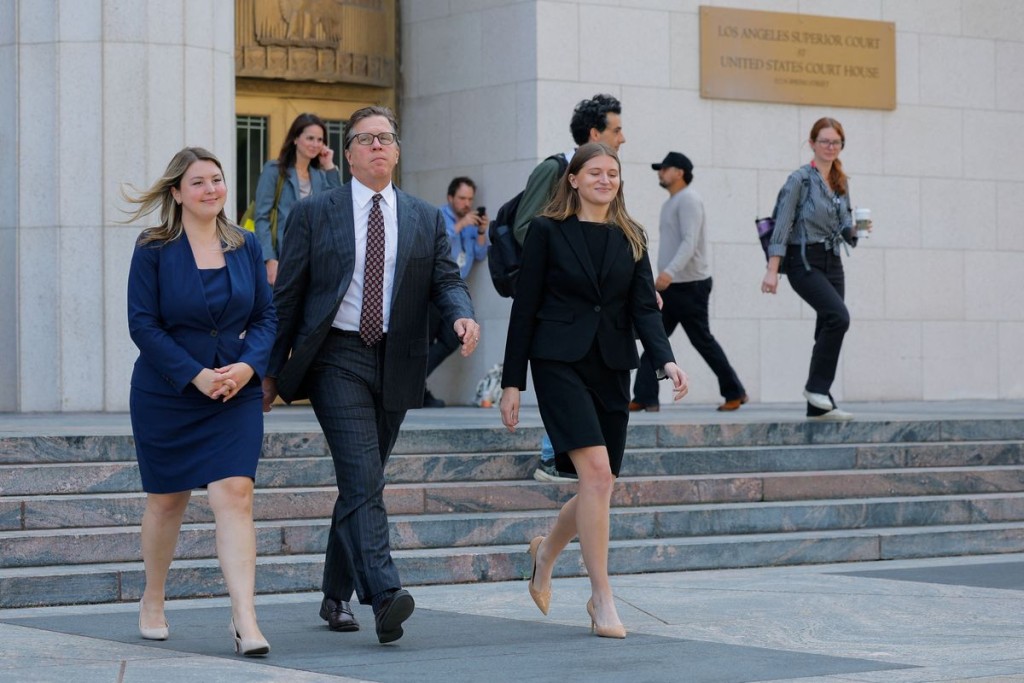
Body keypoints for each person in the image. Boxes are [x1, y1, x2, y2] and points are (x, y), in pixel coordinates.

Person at [262, 106, 481, 644]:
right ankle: (384, 593)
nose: (378, 146)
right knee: (363, 475)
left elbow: (446, 280)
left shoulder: (425, 216)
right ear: (351, 151)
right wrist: (269, 372)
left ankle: (334, 593)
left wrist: (460, 313)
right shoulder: (316, 213)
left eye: (387, 138)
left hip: (398, 359)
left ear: (397, 151)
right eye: (367, 139)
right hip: (337, 357)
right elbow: (287, 298)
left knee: (362, 480)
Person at [499, 142, 688, 639]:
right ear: (575, 179)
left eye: (613, 173)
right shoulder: (546, 231)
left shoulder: (633, 236)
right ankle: (602, 597)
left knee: (598, 485)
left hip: (611, 365)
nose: (605, 179)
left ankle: (546, 551)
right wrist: (511, 382)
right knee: (598, 475)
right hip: (558, 362)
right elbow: (525, 308)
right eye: (595, 172)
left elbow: (646, 309)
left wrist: (665, 360)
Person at [125, 147, 276, 656]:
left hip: (234, 391)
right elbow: (142, 324)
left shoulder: (246, 245)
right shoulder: (153, 247)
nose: (211, 189)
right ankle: (153, 597)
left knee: (235, 493)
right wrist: (193, 376)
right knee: (167, 501)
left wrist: (247, 367)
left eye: (217, 180)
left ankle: (245, 617)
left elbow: (265, 318)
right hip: (168, 393)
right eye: (199, 183)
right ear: (176, 193)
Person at [516, 93, 626, 482]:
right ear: (594, 133)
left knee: (599, 477)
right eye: (616, 130)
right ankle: (553, 455)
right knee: (594, 471)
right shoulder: (556, 169)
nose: (623, 138)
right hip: (556, 303)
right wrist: (568, 264)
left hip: (593, 328)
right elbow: (524, 226)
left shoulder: (610, 189)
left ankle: (547, 546)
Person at [761, 117, 869, 420]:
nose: (830, 147)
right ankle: (817, 388)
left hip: (832, 259)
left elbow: (845, 223)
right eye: (825, 141)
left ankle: (818, 406)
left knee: (827, 325)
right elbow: (781, 224)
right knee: (838, 317)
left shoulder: (840, 181)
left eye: (836, 142)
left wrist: (857, 230)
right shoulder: (800, 179)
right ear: (812, 143)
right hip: (802, 260)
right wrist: (773, 269)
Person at [630, 152, 747, 413]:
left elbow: (689, 241)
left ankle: (735, 391)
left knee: (701, 340)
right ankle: (645, 397)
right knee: (654, 338)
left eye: (664, 169)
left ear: (679, 172)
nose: (660, 173)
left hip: (690, 286)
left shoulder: (689, 200)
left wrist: (668, 272)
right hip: (674, 287)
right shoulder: (671, 203)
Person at [423, 176, 489, 408]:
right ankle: (417, 388)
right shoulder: (438, 216)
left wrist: (481, 232)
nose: (466, 204)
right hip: (432, 290)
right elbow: (435, 246)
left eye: (470, 199)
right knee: (425, 340)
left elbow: (480, 254)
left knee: (453, 339)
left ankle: (416, 382)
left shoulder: (471, 223)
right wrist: (460, 226)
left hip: (455, 291)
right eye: (462, 198)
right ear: (450, 197)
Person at [254, 112, 342, 285]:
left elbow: (338, 205)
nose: (315, 144)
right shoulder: (274, 170)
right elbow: (262, 217)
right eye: (310, 138)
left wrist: (329, 166)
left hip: (314, 259)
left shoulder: (320, 176)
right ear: (295, 139)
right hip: (282, 258)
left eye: (320, 140)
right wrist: (269, 259)